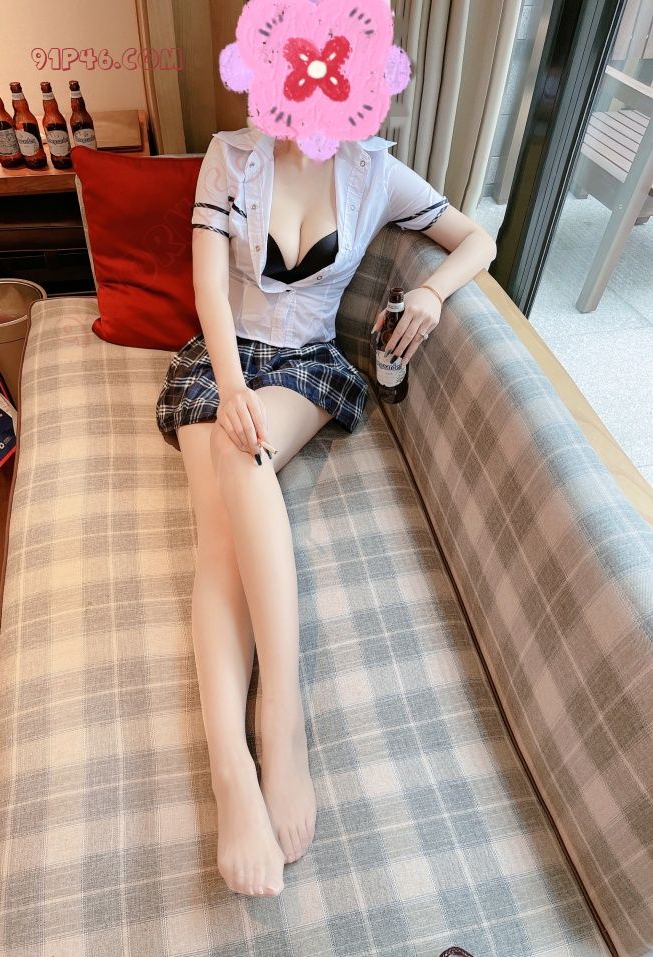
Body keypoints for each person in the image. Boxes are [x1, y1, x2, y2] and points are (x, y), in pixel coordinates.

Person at [155, 120, 497, 898]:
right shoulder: (230, 157)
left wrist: (433, 292)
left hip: (305, 366)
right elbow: (209, 289)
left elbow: (478, 239)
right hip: (223, 363)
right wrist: (231, 388)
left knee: (243, 460)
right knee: (219, 536)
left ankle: (280, 723)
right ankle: (230, 769)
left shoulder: (377, 174)